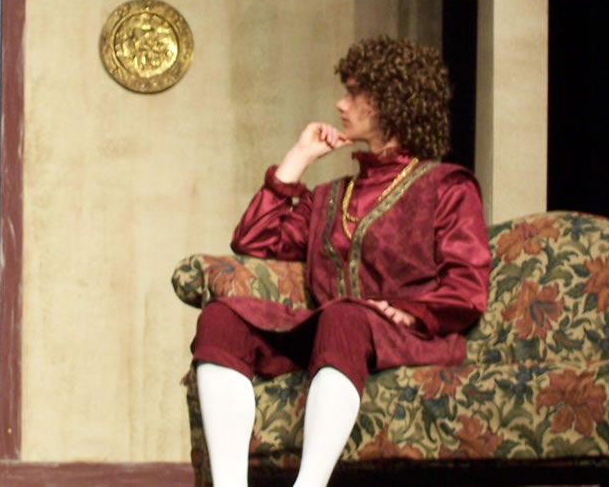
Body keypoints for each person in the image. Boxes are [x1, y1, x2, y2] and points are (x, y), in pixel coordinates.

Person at [191, 36, 491, 487]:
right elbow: (253, 239)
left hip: (411, 335)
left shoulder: (447, 186)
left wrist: (413, 311)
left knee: (344, 317)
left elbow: (467, 288)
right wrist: (299, 157)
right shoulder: (331, 197)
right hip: (333, 329)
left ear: (389, 101)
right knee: (222, 318)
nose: (340, 104)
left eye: (353, 93)